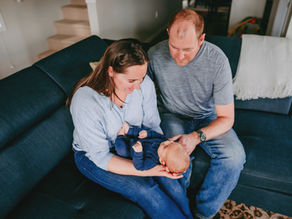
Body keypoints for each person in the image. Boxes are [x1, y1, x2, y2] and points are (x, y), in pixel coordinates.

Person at [67, 38, 193, 219]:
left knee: (171, 179)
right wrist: (149, 170)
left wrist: (164, 147)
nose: (138, 86)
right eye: (132, 80)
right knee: (147, 189)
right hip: (94, 157)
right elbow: (101, 157)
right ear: (111, 71)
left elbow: (151, 124)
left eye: (141, 78)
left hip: (136, 143)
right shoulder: (86, 101)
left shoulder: (144, 85)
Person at [147, 9, 246, 218]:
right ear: (167, 33)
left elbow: (227, 118)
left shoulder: (217, 61)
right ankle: (179, 211)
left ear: (201, 39)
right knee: (173, 157)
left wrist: (196, 137)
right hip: (171, 115)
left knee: (234, 158)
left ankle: (202, 214)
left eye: (187, 49)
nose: (180, 56)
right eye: (174, 47)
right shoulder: (154, 54)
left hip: (209, 118)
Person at [115, 121, 190, 173]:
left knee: (122, 150)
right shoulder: (163, 141)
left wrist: (138, 153)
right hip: (141, 138)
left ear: (161, 161)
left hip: (131, 150)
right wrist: (148, 134)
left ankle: (120, 136)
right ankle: (128, 130)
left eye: (166, 147)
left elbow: (139, 166)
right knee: (141, 132)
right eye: (171, 143)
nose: (166, 142)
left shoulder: (152, 161)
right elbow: (156, 135)